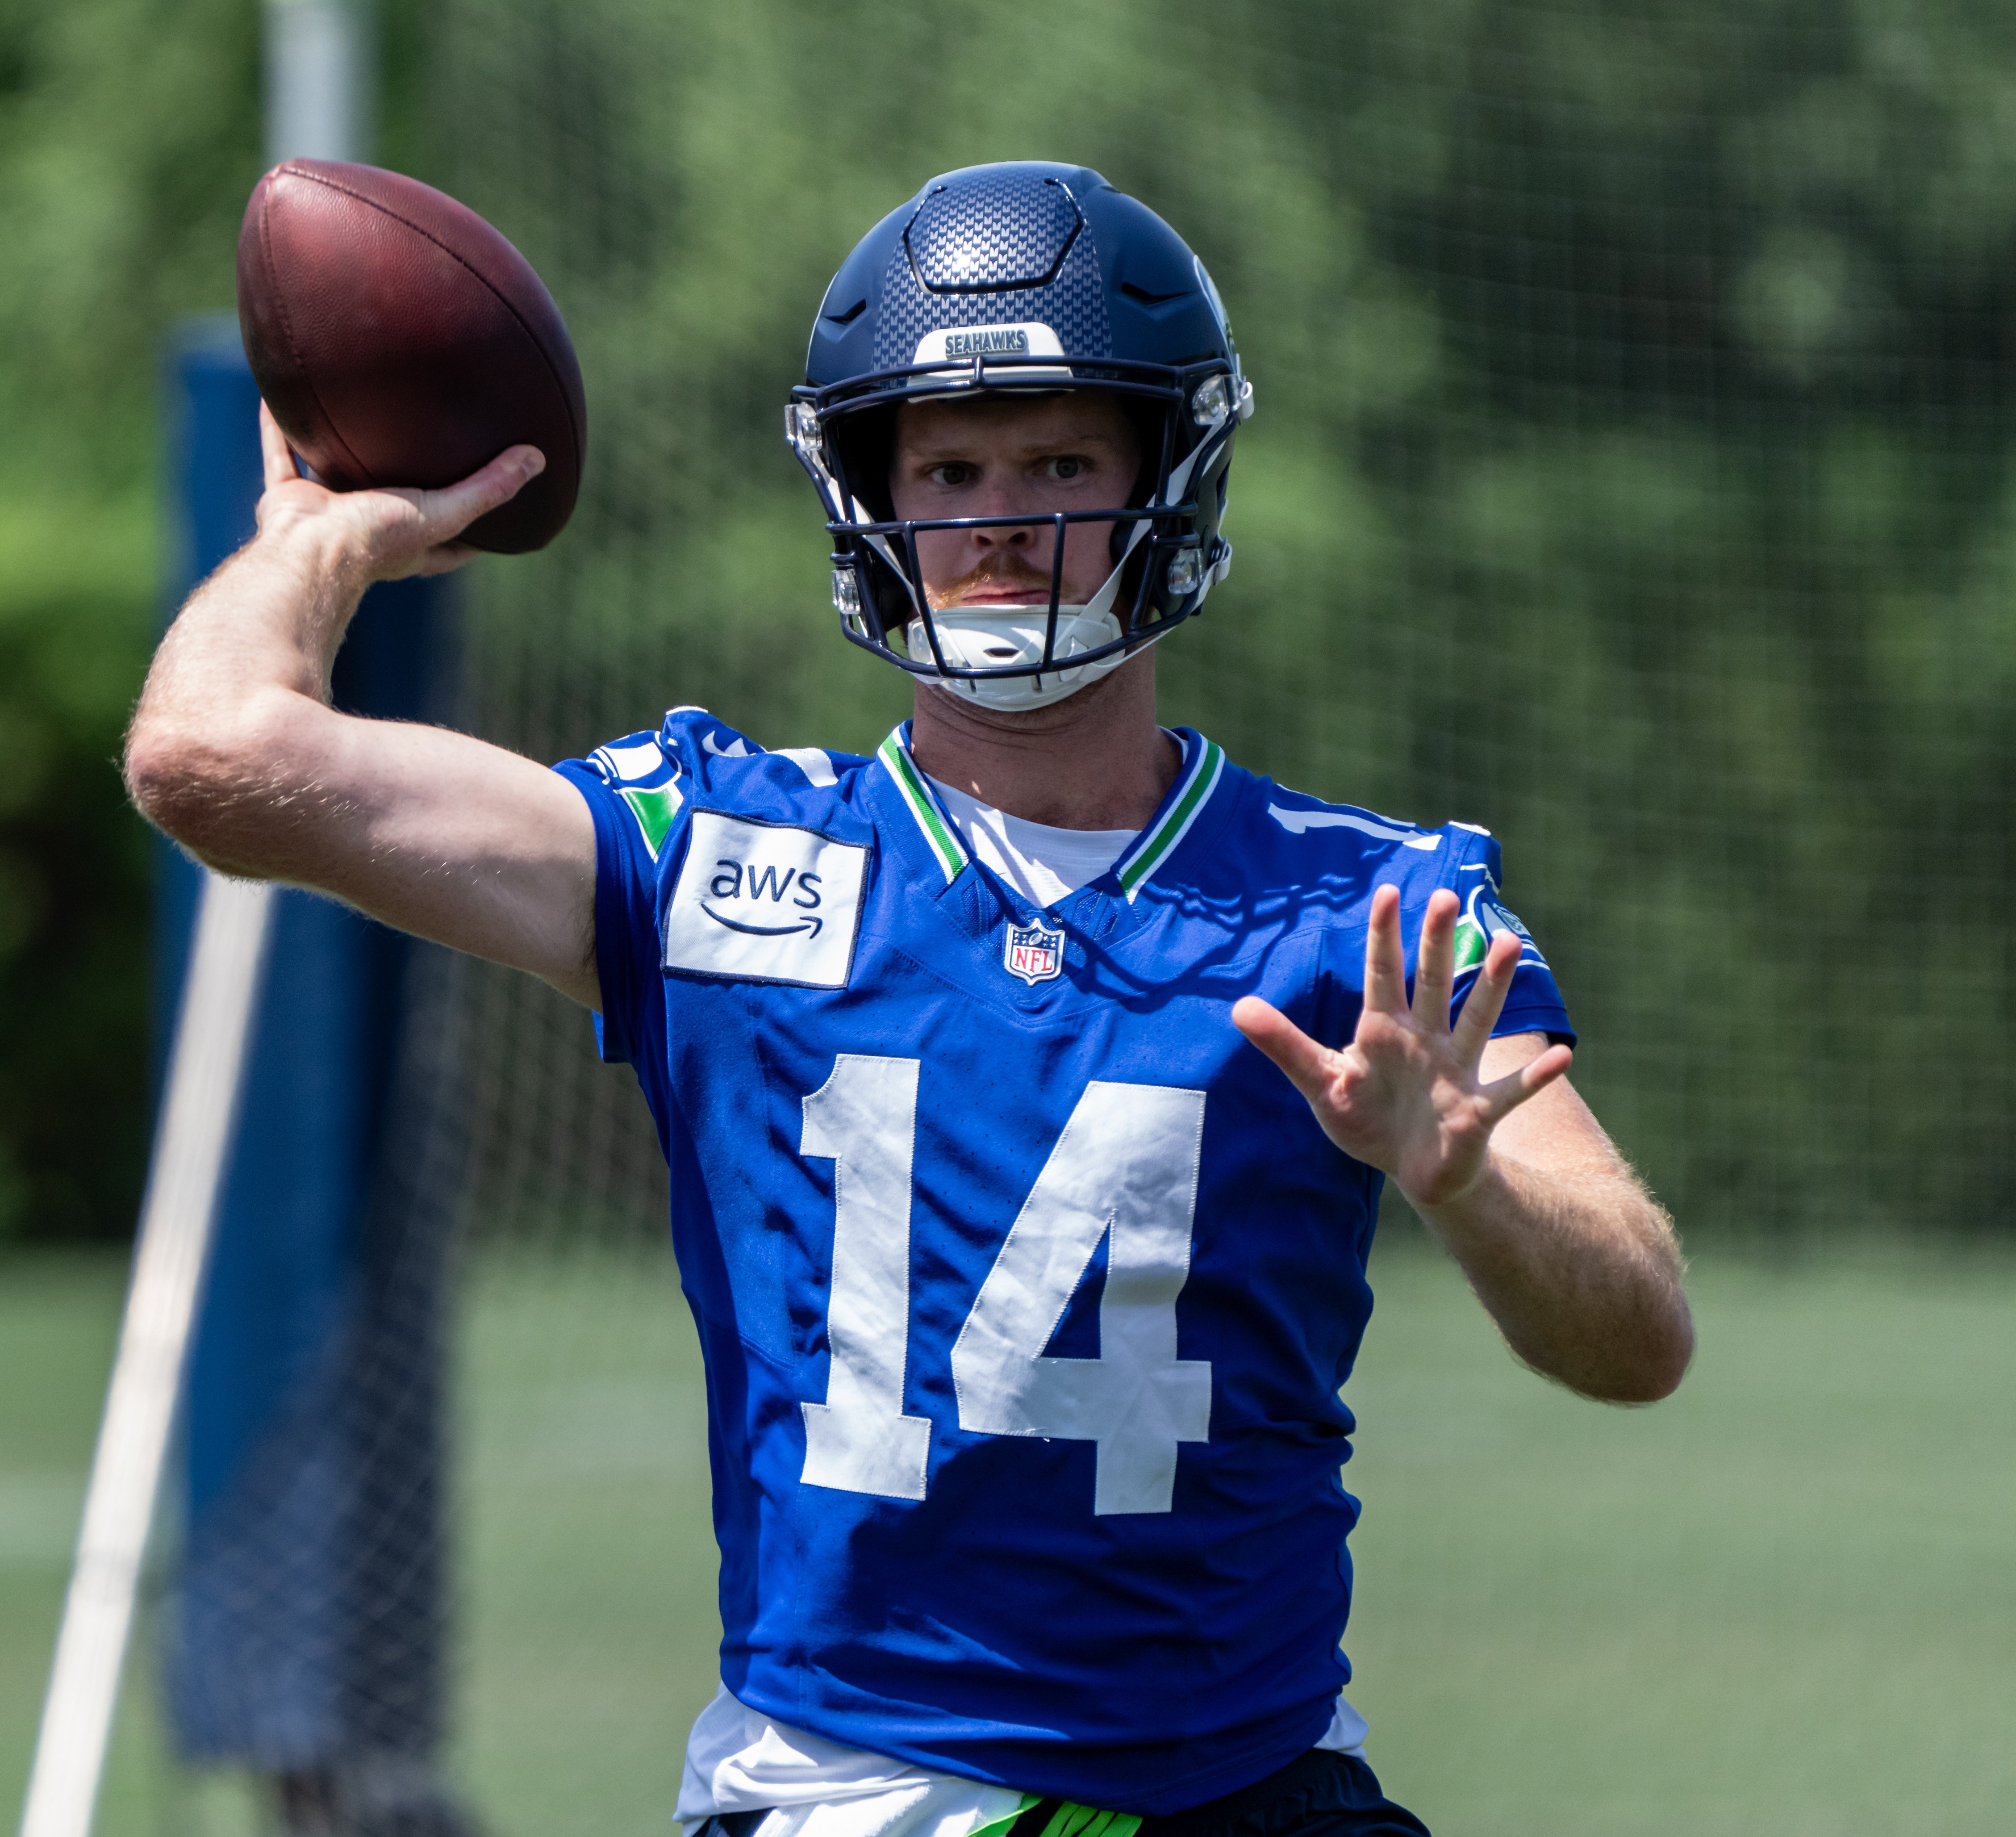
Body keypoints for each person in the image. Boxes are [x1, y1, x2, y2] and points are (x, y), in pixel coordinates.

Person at [128, 161, 1692, 1837]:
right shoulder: (719, 854)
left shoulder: (1362, 908)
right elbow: (209, 757)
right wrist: (318, 544)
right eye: (948, 465)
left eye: (1060, 462)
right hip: (845, 1798)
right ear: (872, 499)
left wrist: (1464, 1185)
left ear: (1166, 477)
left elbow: (1636, 1332)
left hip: (1246, 1792)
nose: (1000, 516)